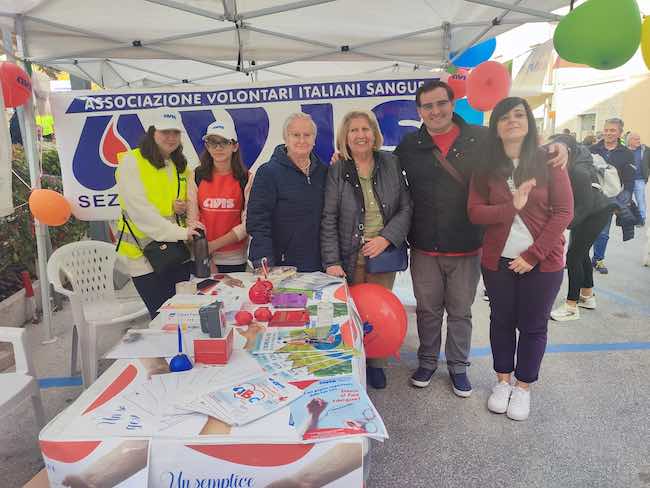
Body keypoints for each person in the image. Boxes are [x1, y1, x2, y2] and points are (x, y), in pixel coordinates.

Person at [395, 81, 568, 397]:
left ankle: (459, 367)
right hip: (424, 244)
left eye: (441, 103)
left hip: (467, 244)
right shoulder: (409, 145)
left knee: (461, 310)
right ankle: (427, 361)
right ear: (419, 111)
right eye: (427, 106)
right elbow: (384, 172)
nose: (435, 111)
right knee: (427, 310)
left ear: (452, 103)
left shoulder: (481, 136)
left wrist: (559, 147)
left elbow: (520, 143)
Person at [467, 97, 573, 421]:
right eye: (504, 117)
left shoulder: (549, 161)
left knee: (533, 325)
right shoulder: (485, 168)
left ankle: (523, 387)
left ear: (529, 123)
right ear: (495, 126)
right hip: (497, 260)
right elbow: (475, 212)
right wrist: (511, 206)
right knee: (501, 321)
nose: (512, 121)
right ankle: (502, 381)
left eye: (519, 115)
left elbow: (564, 212)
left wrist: (533, 254)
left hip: (542, 262)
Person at [321, 110, 412, 389]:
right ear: (345, 138)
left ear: (374, 134)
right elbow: (329, 217)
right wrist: (331, 260)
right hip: (349, 254)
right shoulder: (337, 169)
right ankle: (354, 361)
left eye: (365, 129)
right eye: (353, 130)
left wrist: (386, 238)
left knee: (379, 311)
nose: (360, 135)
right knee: (352, 312)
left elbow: (406, 208)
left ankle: (377, 362)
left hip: (382, 254)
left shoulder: (391, 162)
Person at [115, 108, 204, 318]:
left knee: (182, 314)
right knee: (161, 317)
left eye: (175, 132)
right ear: (152, 132)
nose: (171, 138)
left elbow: (174, 201)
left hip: (173, 253)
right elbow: (141, 213)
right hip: (143, 255)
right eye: (165, 132)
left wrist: (178, 207)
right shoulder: (131, 162)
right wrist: (183, 233)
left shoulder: (179, 164)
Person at [247, 113, 328, 272]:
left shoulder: (324, 173)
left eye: (307, 135)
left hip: (319, 265)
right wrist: (264, 261)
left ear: (314, 139)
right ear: (285, 137)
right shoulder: (268, 172)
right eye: (295, 135)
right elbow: (258, 221)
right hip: (281, 266)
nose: (302, 140)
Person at [548, 135, 615, 321]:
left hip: (596, 213)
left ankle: (571, 306)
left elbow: (585, 205)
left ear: (567, 151)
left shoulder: (578, 170)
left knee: (573, 256)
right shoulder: (575, 160)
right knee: (581, 252)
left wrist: (563, 224)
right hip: (590, 212)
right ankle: (587, 295)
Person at [187, 120, 249, 273]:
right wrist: (205, 252)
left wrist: (213, 246)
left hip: (234, 258)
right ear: (207, 146)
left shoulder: (246, 178)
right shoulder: (196, 176)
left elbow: (248, 224)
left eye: (224, 142)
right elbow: (191, 220)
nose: (218, 147)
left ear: (235, 146)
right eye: (213, 142)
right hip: (201, 256)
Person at [589, 117, 636, 274]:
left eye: (612, 130)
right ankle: (576, 256)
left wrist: (622, 202)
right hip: (590, 196)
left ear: (620, 133)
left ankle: (598, 259)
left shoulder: (627, 154)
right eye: (606, 129)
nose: (608, 133)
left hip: (610, 199)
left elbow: (629, 182)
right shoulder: (592, 149)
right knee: (582, 227)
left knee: (603, 232)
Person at [626, 132, 650, 226]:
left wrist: (647, 173)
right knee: (627, 200)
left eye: (639, 139)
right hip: (627, 180)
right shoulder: (625, 151)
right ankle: (630, 218)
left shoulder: (645, 150)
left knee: (640, 199)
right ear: (630, 140)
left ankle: (641, 219)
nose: (638, 141)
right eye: (636, 139)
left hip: (640, 179)